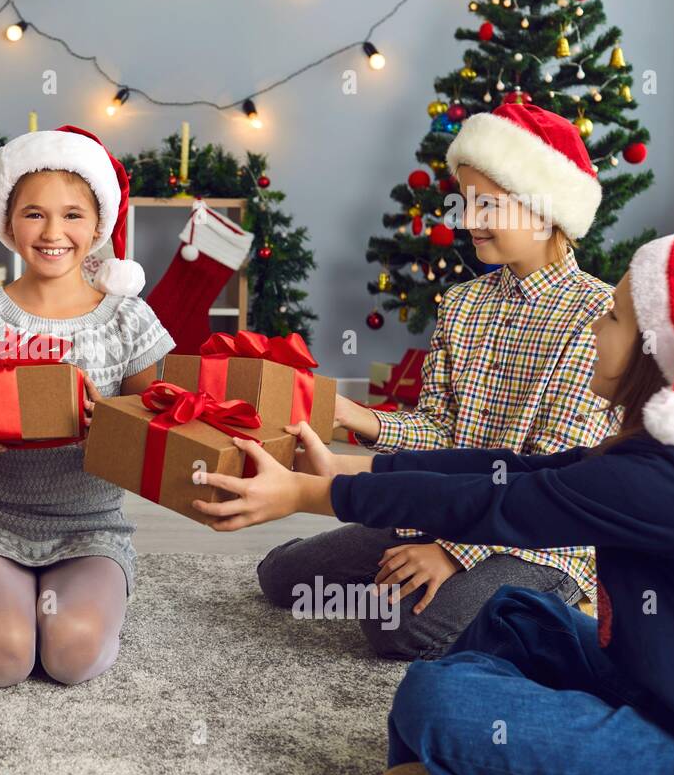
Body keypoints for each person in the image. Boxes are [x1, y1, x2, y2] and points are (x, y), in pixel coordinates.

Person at [195, 232, 674, 775]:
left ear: (659, 352)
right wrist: (346, 470)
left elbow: (502, 501)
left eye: (616, 318)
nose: (599, 327)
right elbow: (503, 469)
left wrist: (309, 494)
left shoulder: (664, 482)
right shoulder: (650, 454)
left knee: (436, 699)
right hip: (647, 676)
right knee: (514, 614)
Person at [258, 103, 619, 659]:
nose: (465, 219)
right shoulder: (462, 305)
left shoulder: (597, 317)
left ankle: (554, 606)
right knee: (282, 577)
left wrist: (454, 553)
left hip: (543, 542)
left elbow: (551, 477)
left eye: (486, 205)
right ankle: (422, 587)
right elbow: (439, 429)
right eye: (464, 201)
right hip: (443, 507)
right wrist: (361, 419)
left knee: (399, 628)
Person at [0, 126, 175, 687]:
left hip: (93, 527)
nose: (53, 232)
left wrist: (106, 427)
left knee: (72, 655)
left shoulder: (126, 320)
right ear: (8, 223)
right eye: (34, 214)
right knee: (4, 659)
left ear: (98, 225)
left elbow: (154, 446)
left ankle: (75, 607)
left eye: (72, 215)